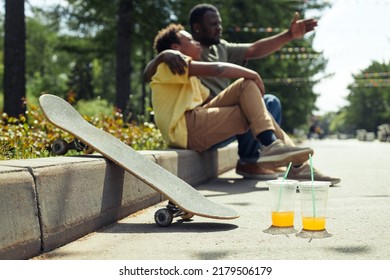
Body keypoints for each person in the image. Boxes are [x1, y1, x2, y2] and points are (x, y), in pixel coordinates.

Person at [144, 4, 340, 185]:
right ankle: (274, 155)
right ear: (179, 46)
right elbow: (218, 69)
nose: (218, 28)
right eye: (213, 24)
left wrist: (289, 35)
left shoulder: (208, 58)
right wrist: (252, 74)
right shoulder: (173, 63)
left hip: (201, 122)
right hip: (189, 129)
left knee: (257, 98)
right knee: (250, 94)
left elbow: (251, 52)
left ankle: (289, 160)